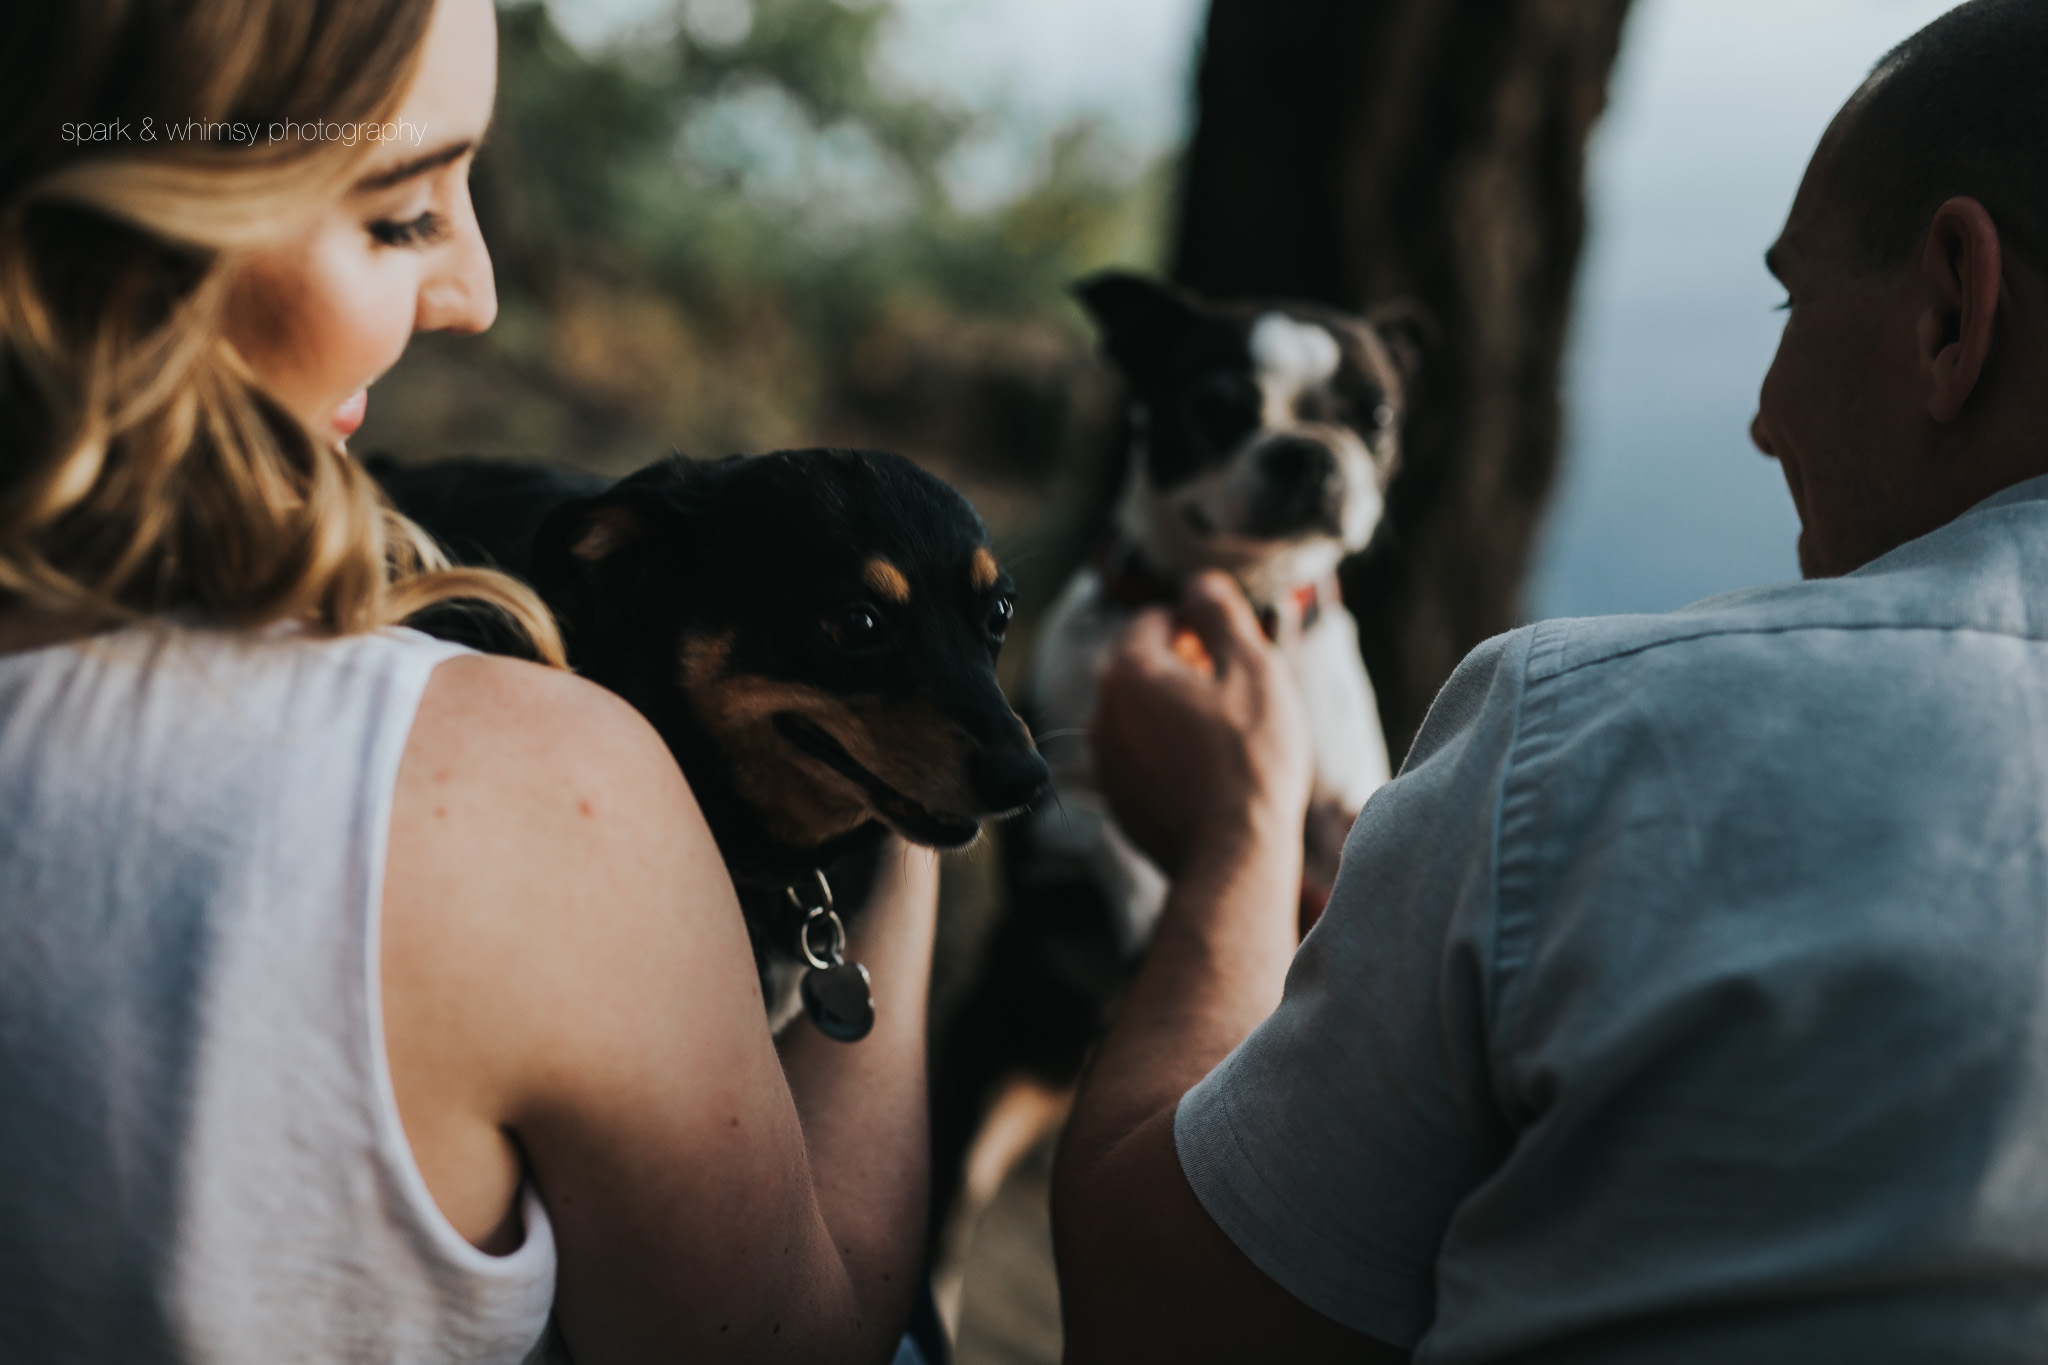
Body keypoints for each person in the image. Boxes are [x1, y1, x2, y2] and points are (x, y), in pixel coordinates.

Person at [1053, 1, 2048, 1361]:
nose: (1759, 414)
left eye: (1790, 295)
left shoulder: (1587, 746)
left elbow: (1159, 1318)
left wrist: (1236, 832)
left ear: (1951, 307)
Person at [0, 3, 938, 1362]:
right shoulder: (514, 793)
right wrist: (906, 837)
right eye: (400, 213)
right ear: (137, 227)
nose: (476, 294)